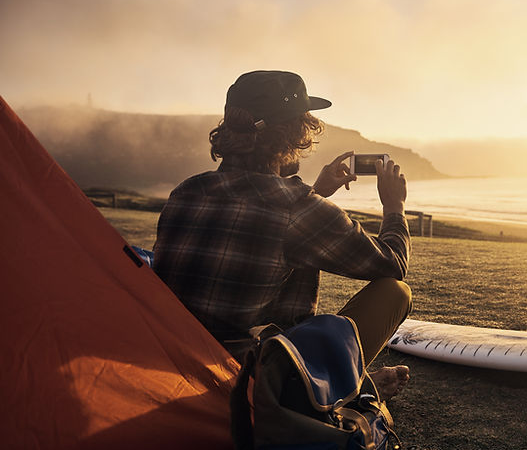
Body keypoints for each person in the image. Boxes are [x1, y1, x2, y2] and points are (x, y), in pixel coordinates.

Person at [153, 70, 411, 397]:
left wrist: (316, 191)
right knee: (395, 291)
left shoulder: (186, 191)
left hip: (173, 368)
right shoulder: (295, 206)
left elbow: (263, 225)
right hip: (251, 386)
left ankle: (354, 383)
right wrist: (394, 206)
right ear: (293, 134)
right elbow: (391, 264)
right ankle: (334, 389)